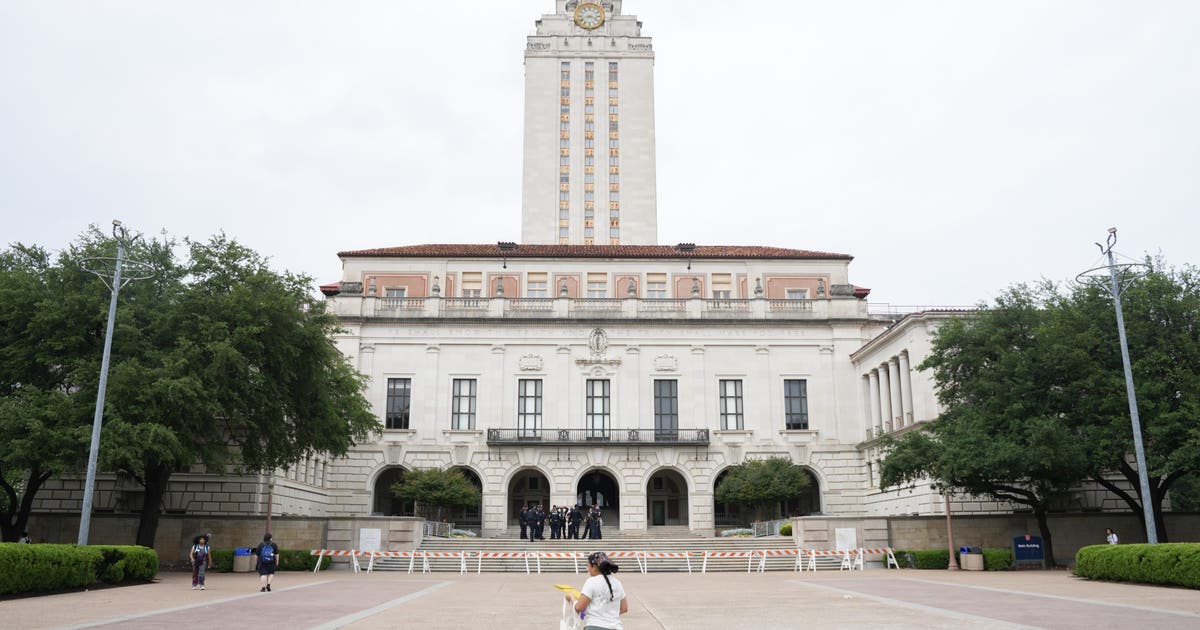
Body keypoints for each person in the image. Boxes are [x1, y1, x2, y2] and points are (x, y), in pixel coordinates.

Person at [565, 551, 628, 630]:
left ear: (594, 567)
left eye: (588, 566)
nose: (588, 569)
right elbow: (624, 608)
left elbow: (579, 607)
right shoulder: (617, 583)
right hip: (616, 627)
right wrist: (609, 615)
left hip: (594, 626)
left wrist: (571, 598)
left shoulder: (591, 582)